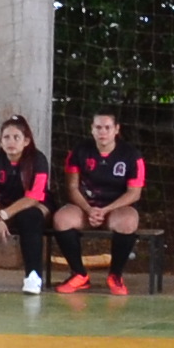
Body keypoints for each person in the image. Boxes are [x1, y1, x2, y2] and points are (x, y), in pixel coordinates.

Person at [56, 110, 149, 295]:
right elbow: (72, 188)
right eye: (98, 127)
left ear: (116, 130)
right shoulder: (79, 151)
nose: (102, 132)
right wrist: (89, 209)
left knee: (128, 221)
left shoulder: (131, 155)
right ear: (92, 129)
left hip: (116, 208)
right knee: (61, 218)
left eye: (107, 127)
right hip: (86, 207)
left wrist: (105, 210)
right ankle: (79, 274)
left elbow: (134, 193)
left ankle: (115, 275)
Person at [0, 115, 53, 292]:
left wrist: (2, 215)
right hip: (1, 206)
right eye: (6, 137)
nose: (11, 142)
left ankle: (33, 276)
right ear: (1, 140)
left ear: (26, 141)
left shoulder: (38, 159)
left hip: (32, 205)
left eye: (16, 137)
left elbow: (34, 197)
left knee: (29, 217)